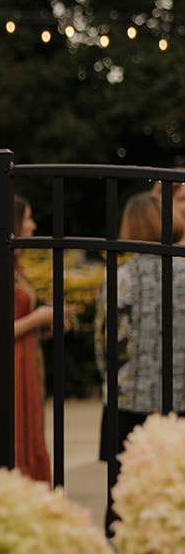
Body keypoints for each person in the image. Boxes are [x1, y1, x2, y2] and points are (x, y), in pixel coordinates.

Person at [95, 191, 185, 522]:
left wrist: (112, 376)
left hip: (128, 397)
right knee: (175, 483)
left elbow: (107, 341)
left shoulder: (120, 275)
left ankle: (126, 545)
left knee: (124, 485)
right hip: (179, 398)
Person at [0, 197, 61, 484]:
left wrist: (41, 326)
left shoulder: (14, 266)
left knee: (26, 435)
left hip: (23, 366)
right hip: (6, 371)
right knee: (9, 441)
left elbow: (12, 323)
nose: (33, 225)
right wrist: (37, 318)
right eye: (28, 218)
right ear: (12, 224)